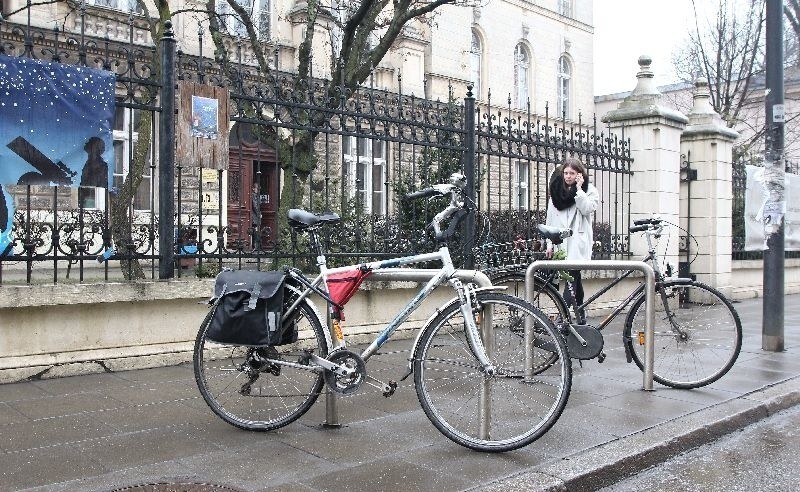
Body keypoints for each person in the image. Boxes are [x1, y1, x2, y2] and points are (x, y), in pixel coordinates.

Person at [545, 156, 599, 324]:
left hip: (578, 242)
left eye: (572, 173)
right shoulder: (556, 192)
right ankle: (581, 316)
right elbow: (550, 220)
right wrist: (549, 243)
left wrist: (579, 190)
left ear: (579, 174)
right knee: (574, 278)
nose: (568, 176)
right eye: (566, 173)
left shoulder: (589, 190)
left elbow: (587, 209)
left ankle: (561, 318)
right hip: (561, 242)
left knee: (571, 276)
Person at [251, 182, 262, 249]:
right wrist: (259, 214)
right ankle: (255, 246)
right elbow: (255, 206)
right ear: (253, 188)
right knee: (255, 230)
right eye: (257, 189)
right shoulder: (254, 196)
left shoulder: (255, 195)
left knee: (256, 230)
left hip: (255, 216)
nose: (258, 190)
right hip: (254, 216)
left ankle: (256, 245)